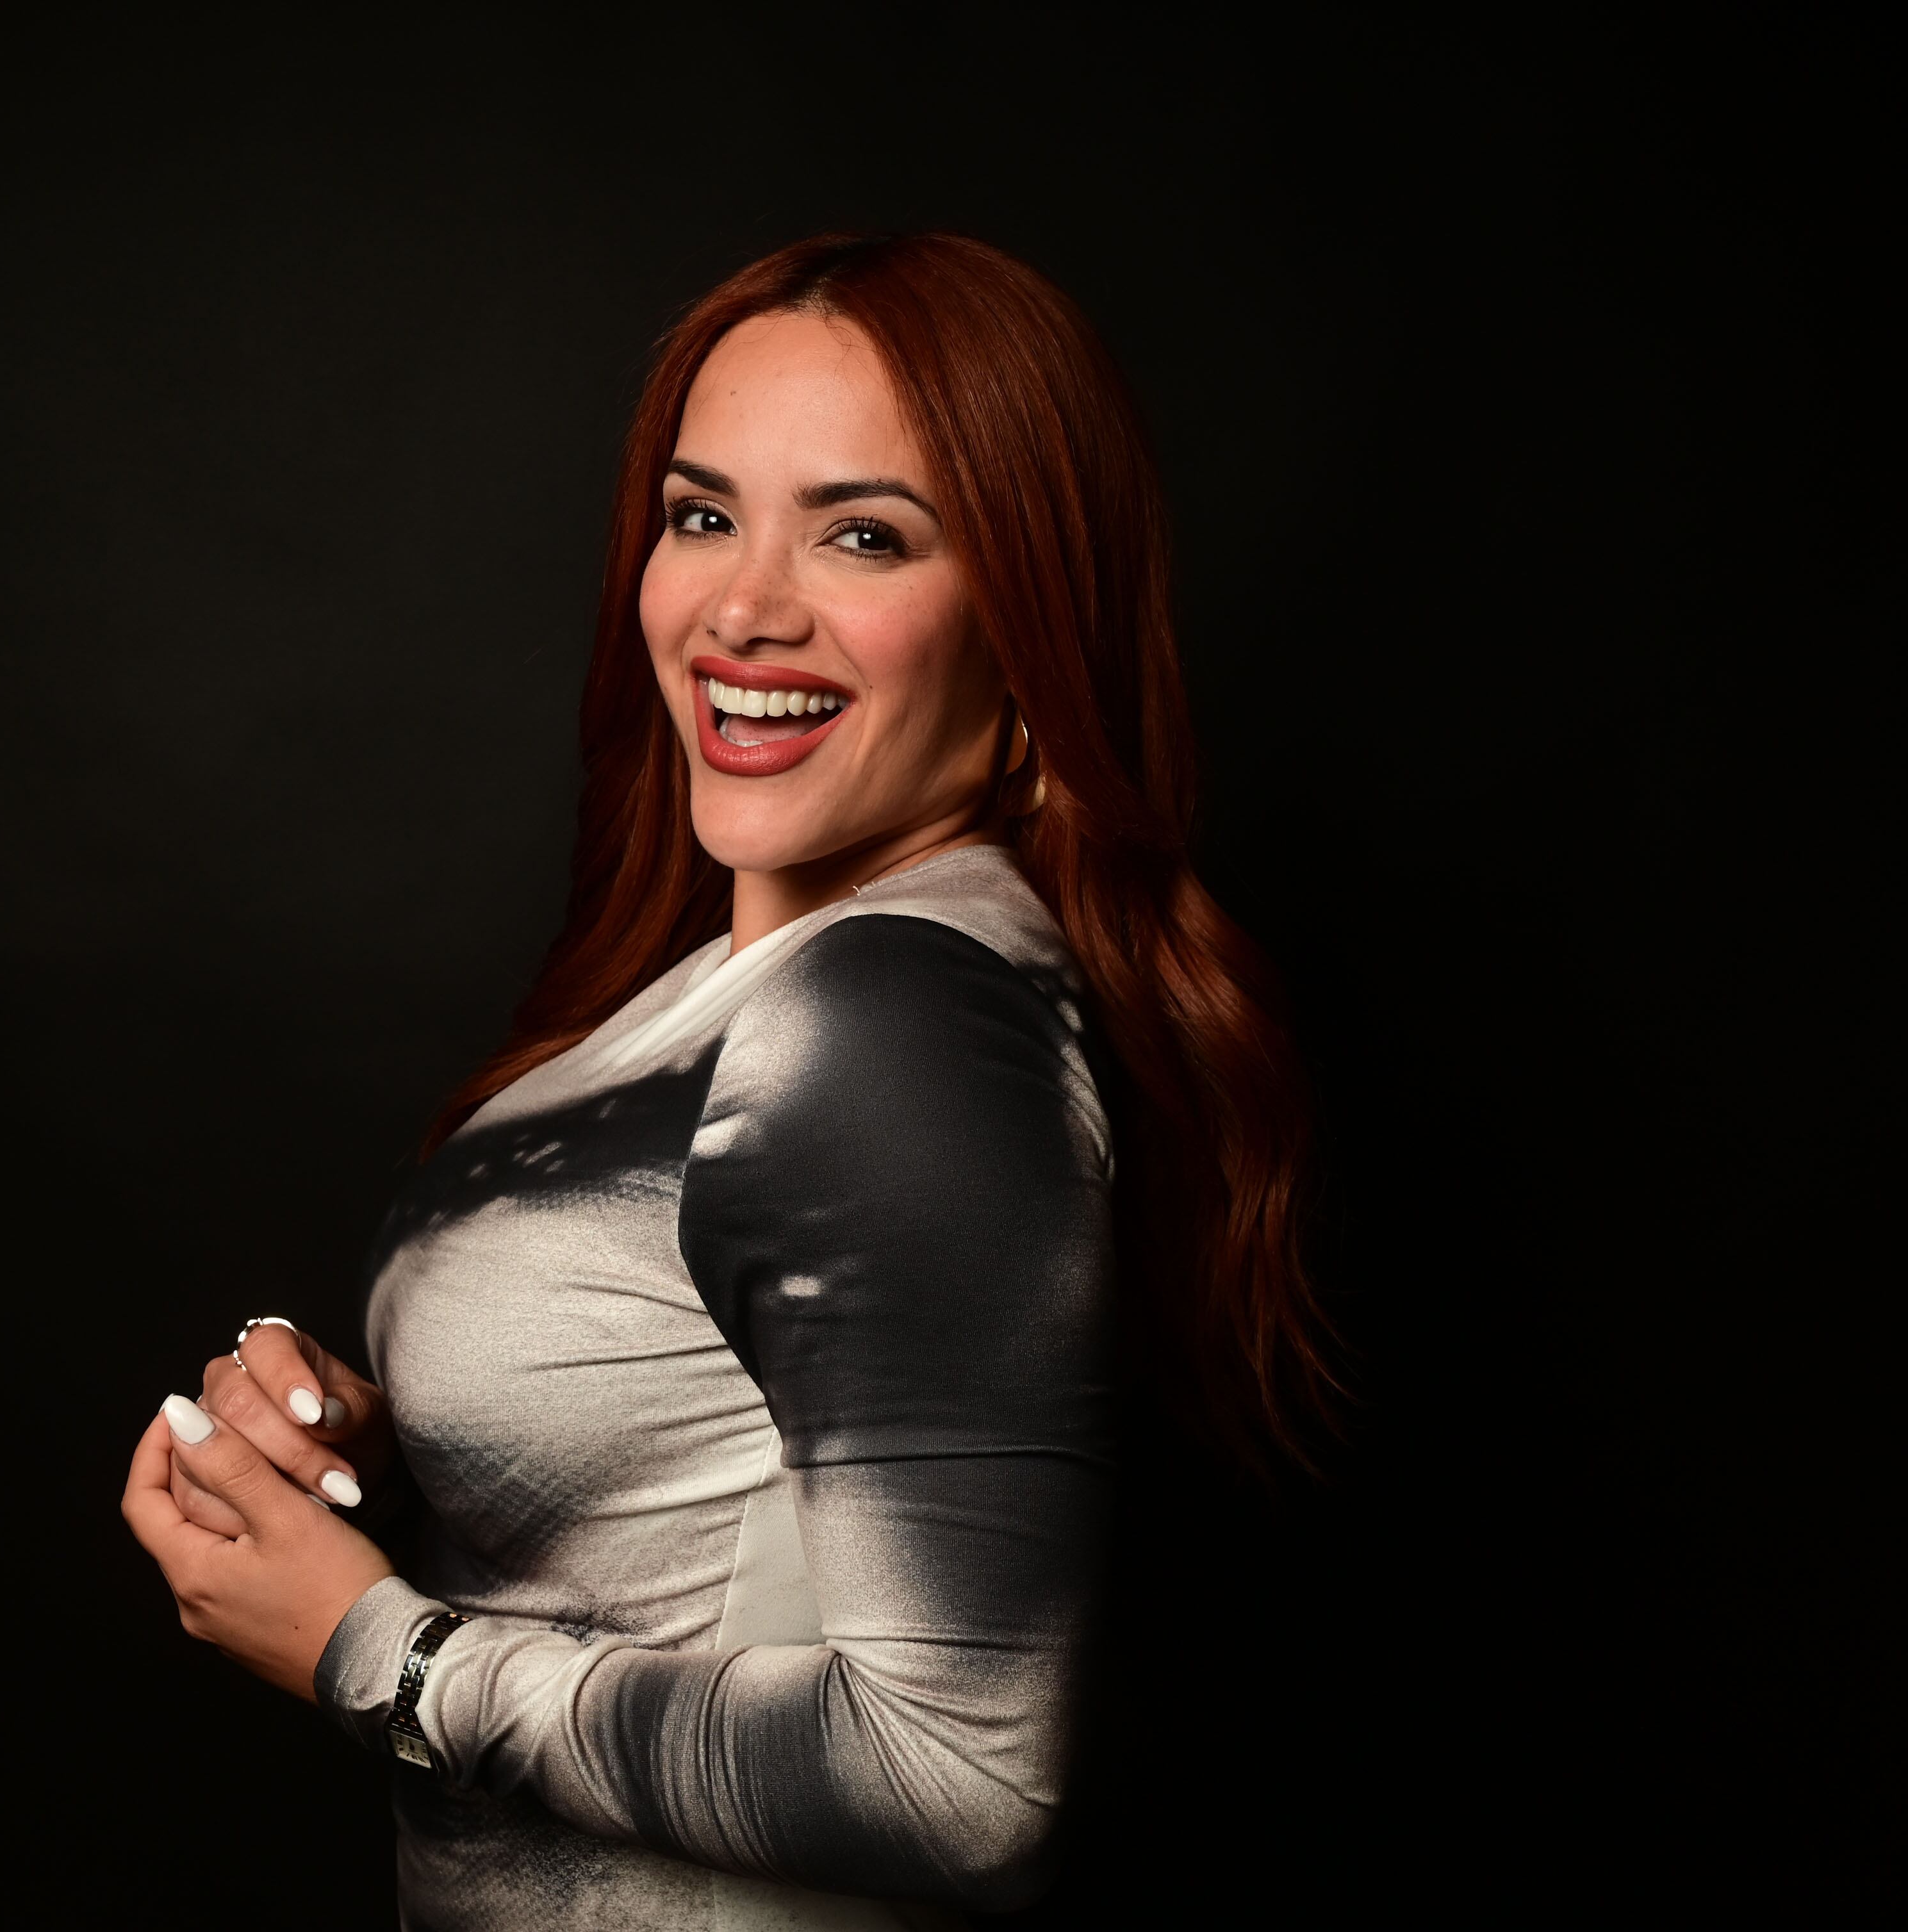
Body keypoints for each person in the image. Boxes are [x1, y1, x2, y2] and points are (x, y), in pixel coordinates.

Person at [121, 232, 1335, 1929]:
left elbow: (964, 1783)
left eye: (864, 534)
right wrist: (380, 1448)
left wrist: (379, 1652)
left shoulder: (892, 1014)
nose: (743, 607)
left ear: (1027, 625)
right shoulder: (767, 985)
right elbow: (707, 1473)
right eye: (703, 516)